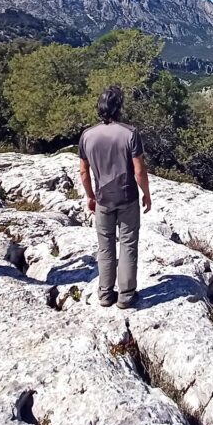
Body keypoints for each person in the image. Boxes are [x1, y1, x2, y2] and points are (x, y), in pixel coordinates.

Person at [78, 86, 151, 309]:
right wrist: (146, 194)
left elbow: (83, 172)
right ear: (119, 107)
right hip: (127, 197)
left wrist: (90, 196)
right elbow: (139, 170)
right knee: (128, 244)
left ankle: (105, 294)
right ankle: (126, 295)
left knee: (105, 246)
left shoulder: (87, 136)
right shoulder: (130, 133)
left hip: (102, 199)